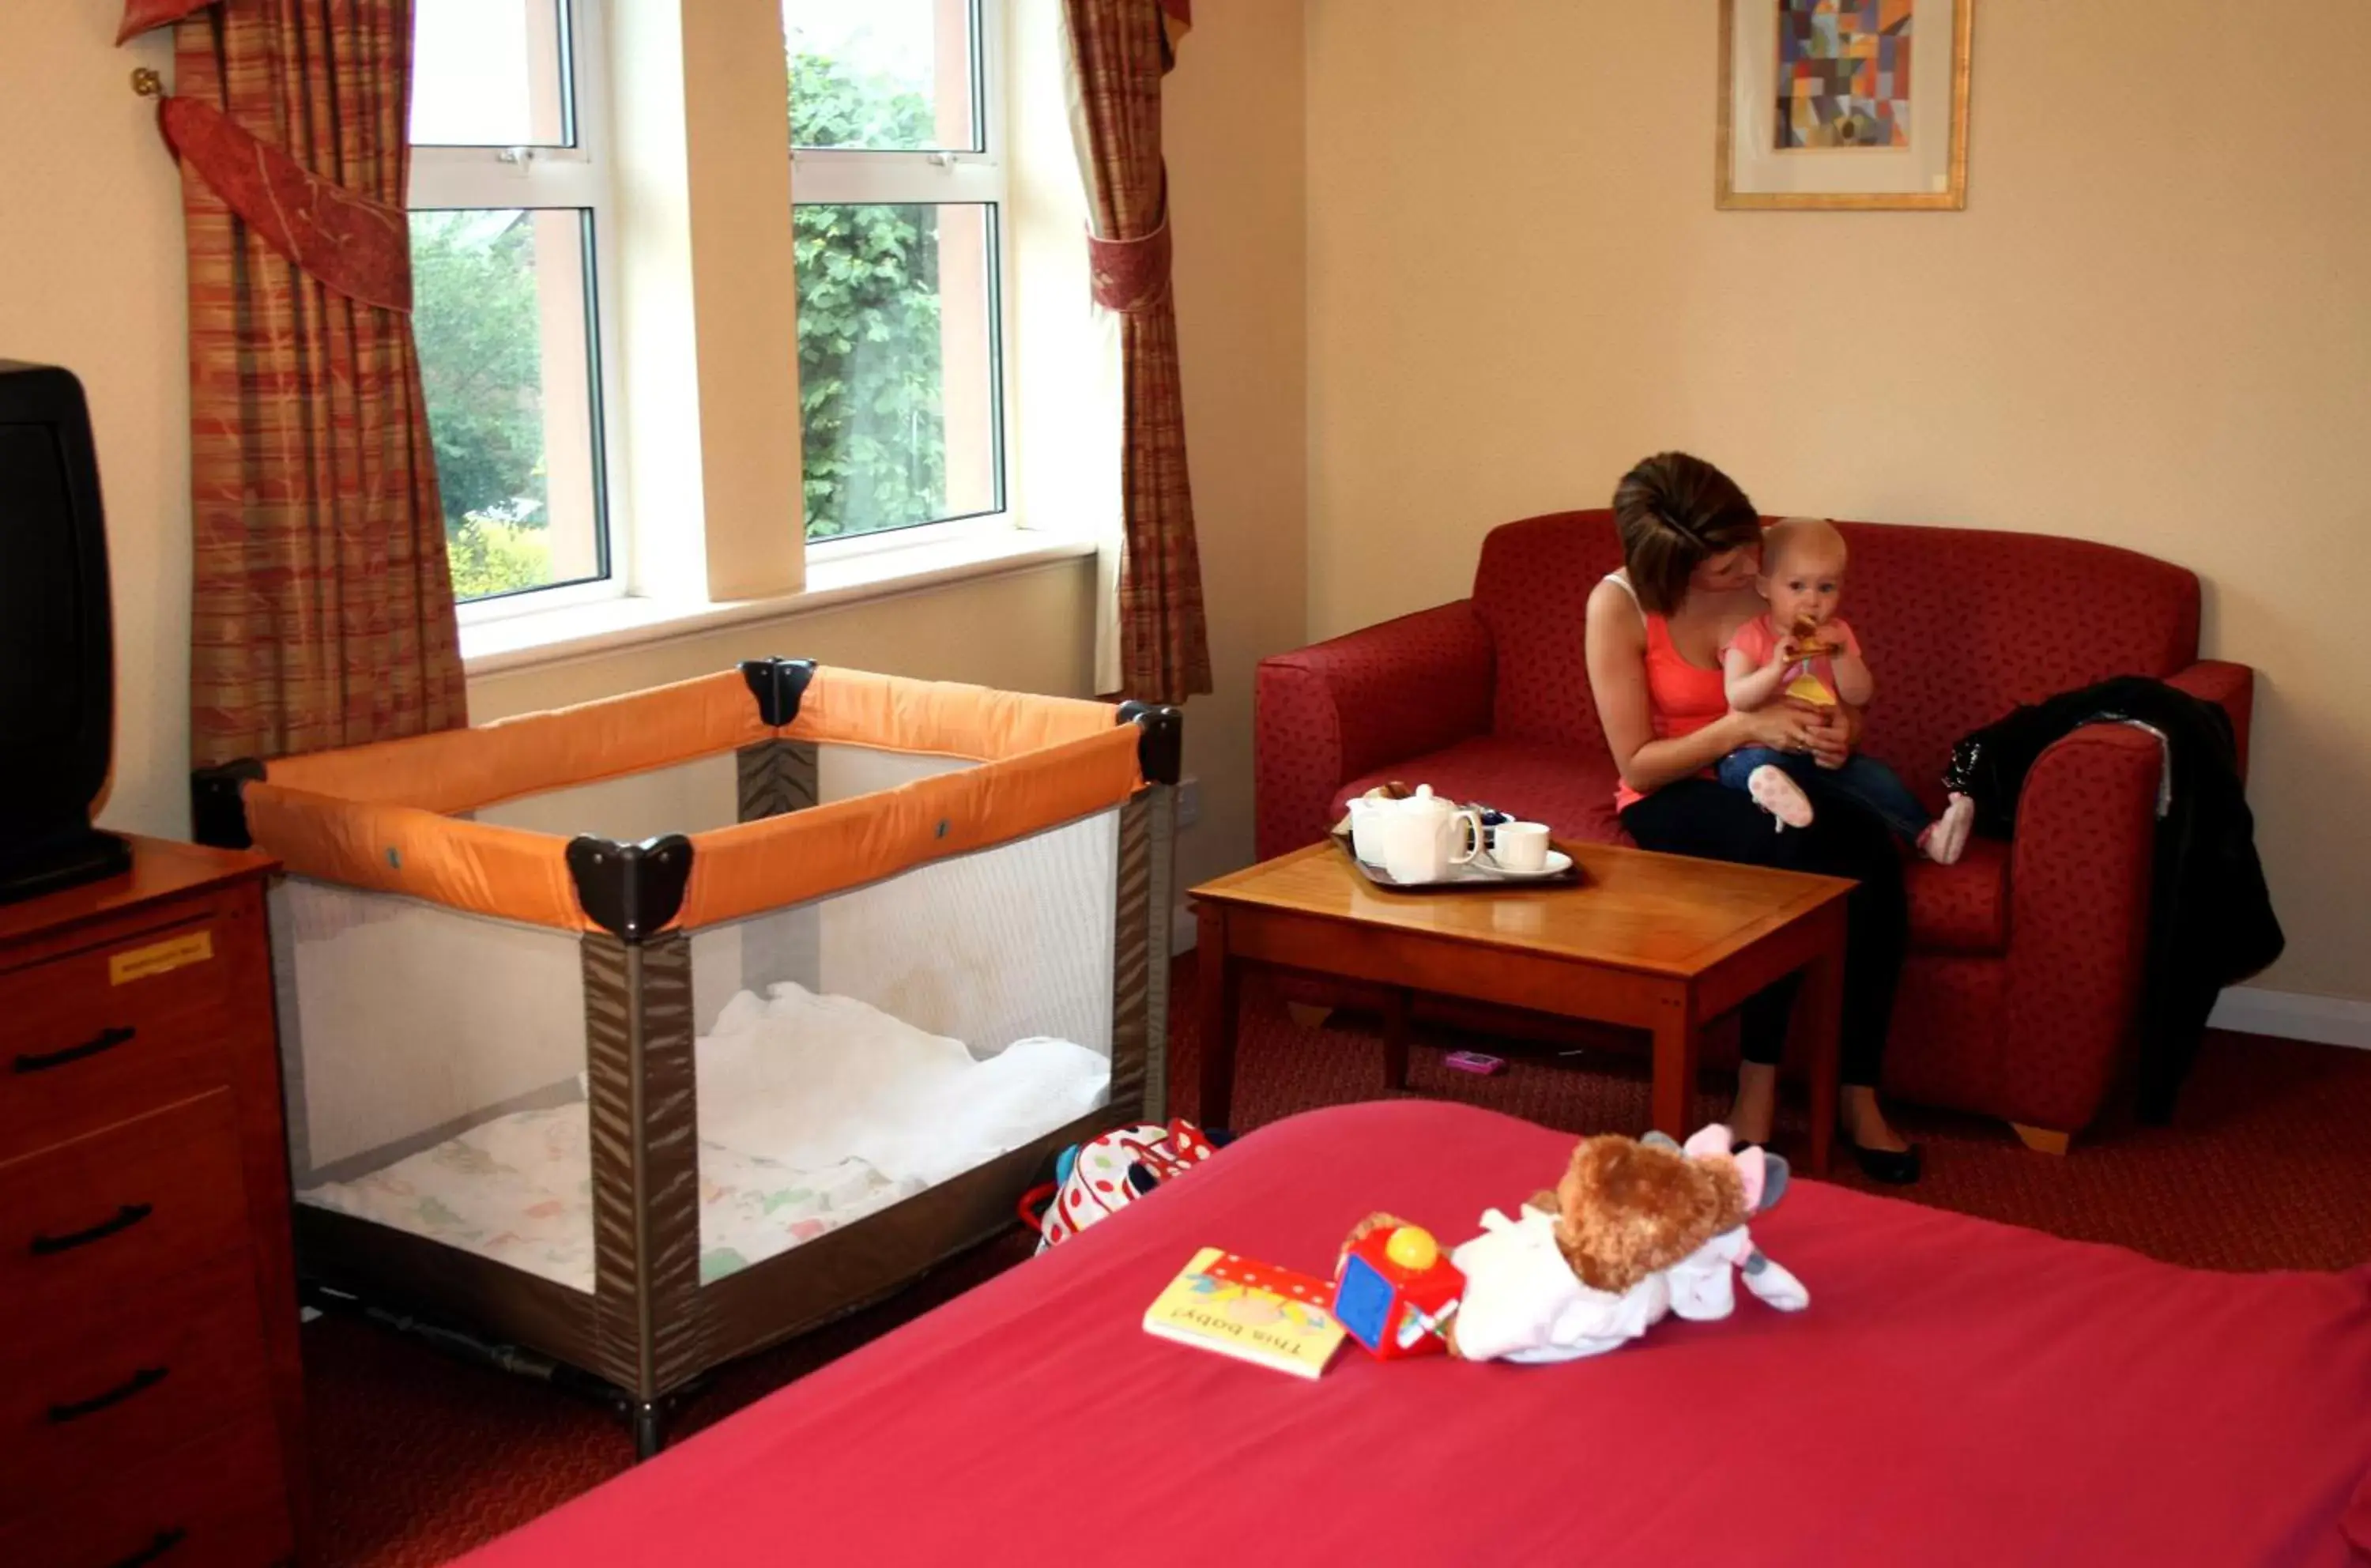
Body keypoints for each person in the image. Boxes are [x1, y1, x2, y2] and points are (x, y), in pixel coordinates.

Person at [1583, 454, 1921, 1183]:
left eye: (1746, 558)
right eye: (1721, 571)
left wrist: (1841, 737)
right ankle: (1756, 1085)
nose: (1743, 577)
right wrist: (1745, 730)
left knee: (1874, 857)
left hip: (1790, 776)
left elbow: (1841, 693)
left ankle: (1859, 1092)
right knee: (1791, 860)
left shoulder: (1777, 574)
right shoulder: (1617, 605)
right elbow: (1639, 763)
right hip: (1675, 790)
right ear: (1666, 568)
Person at [1715, 515, 1976, 865]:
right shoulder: (1751, 635)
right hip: (1759, 750)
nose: (1812, 601)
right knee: (1748, 766)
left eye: (1826, 588)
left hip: (1822, 753)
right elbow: (1737, 698)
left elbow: (1859, 695)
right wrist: (1775, 668)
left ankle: (1928, 835)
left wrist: (1841, 655)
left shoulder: (1838, 633)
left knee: (1875, 776)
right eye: (1797, 586)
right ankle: (1774, 794)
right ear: (1764, 586)